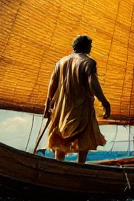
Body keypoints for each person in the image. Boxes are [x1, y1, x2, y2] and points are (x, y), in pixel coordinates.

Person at [43, 35, 109, 163]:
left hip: (62, 107)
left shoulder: (61, 62)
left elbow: (52, 82)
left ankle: (58, 164)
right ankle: (80, 165)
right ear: (85, 46)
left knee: (61, 134)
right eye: (90, 45)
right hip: (82, 104)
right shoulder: (88, 62)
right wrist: (104, 102)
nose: (91, 47)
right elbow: (93, 83)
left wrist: (48, 102)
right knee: (84, 135)